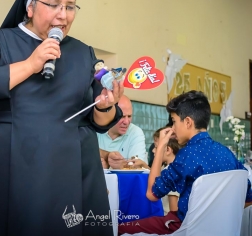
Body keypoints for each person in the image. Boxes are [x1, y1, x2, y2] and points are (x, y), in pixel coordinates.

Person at [0, 0, 124, 236]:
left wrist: (106, 105)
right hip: (14, 162)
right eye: (54, 5)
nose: (63, 14)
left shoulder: (83, 52)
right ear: (31, 7)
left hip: (72, 166)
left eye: (70, 7)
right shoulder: (0, 42)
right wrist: (30, 64)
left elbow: (99, 120)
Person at [118, 90, 252, 235]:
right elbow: (248, 198)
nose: (173, 128)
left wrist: (162, 145)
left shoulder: (185, 156)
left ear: (188, 122)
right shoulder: (227, 154)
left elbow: (151, 194)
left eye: (174, 121)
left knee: (121, 228)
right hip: (223, 230)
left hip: (184, 228)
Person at [96, 95, 146, 169]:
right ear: (109, 114)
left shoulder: (135, 132)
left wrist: (108, 166)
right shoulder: (95, 129)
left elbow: (137, 167)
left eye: (129, 116)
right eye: (122, 116)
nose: (126, 122)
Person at [152, 128, 180, 215]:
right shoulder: (169, 168)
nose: (153, 150)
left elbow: (173, 211)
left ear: (168, 150)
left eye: (156, 147)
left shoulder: (171, 173)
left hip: (166, 219)